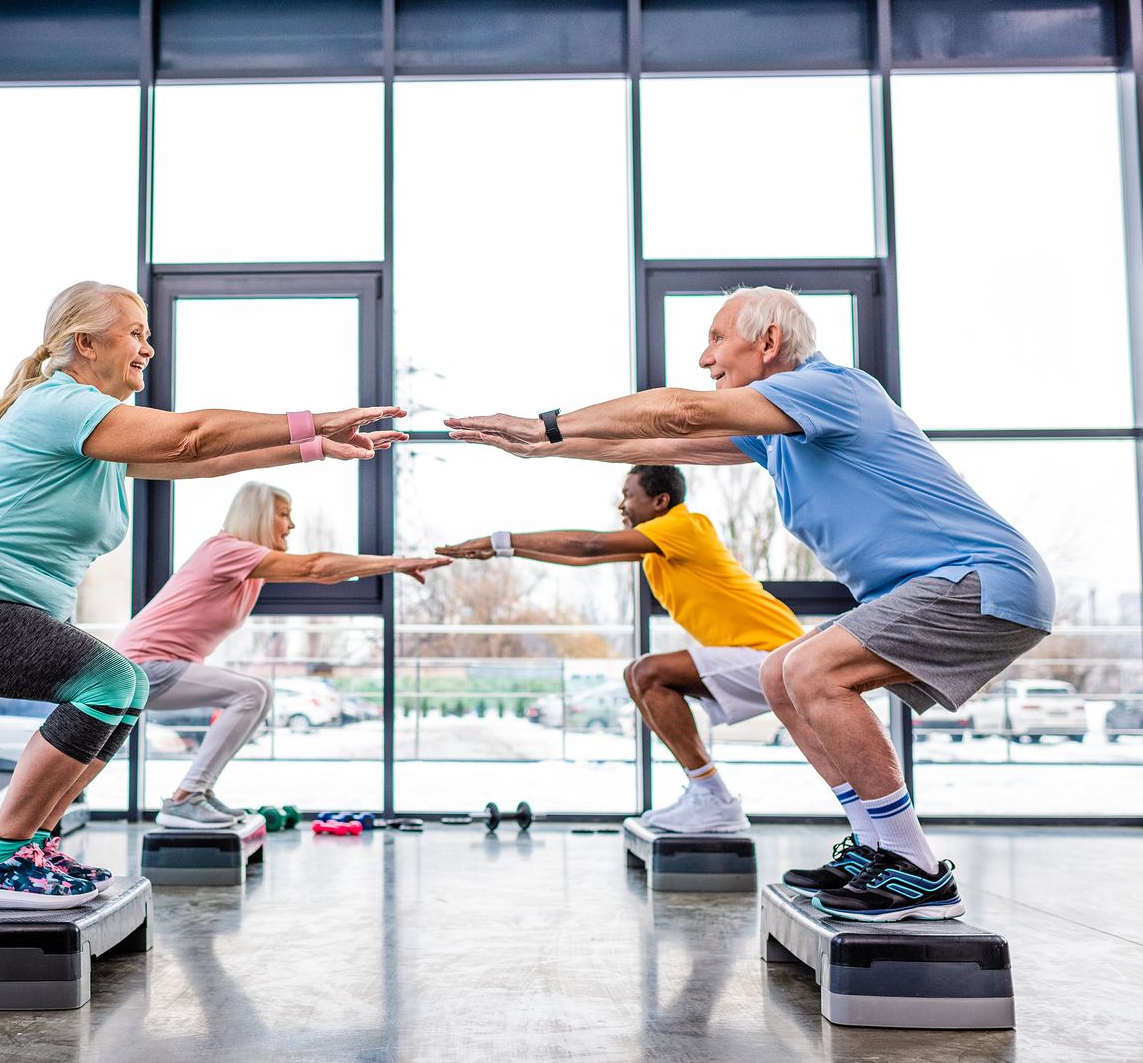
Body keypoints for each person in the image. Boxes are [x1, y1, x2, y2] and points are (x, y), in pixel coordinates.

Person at [446, 285, 1053, 922]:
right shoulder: (782, 432)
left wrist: (545, 423)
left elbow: (677, 413)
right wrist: (540, 445)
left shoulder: (835, 389)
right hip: (936, 587)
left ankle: (916, 868)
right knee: (780, 674)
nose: (706, 360)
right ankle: (879, 848)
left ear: (768, 342)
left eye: (716, 339)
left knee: (813, 671)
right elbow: (656, 446)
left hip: (981, 578)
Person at [0, 280, 406, 909]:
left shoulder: (96, 440)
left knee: (122, 686)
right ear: (84, 343)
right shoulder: (59, 405)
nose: (148, 349)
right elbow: (191, 437)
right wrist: (315, 417)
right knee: (108, 680)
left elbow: (205, 463)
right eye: (135, 334)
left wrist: (316, 448)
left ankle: (32, 847)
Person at [436, 465, 803, 833]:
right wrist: (505, 551)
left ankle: (713, 797)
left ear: (661, 501)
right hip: (764, 657)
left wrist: (500, 539)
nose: (621, 504)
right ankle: (710, 794)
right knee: (643, 676)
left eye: (629, 494)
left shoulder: (684, 525)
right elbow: (584, 557)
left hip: (778, 655)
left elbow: (589, 544)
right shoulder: (659, 544)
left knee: (648, 673)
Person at [115, 482, 449, 828]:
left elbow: (322, 572)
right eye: (284, 514)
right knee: (253, 691)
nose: (291, 525)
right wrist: (397, 564)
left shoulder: (247, 565)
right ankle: (186, 798)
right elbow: (316, 567)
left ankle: (196, 792)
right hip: (138, 669)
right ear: (257, 515)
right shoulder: (225, 550)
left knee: (258, 694)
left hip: (158, 668)